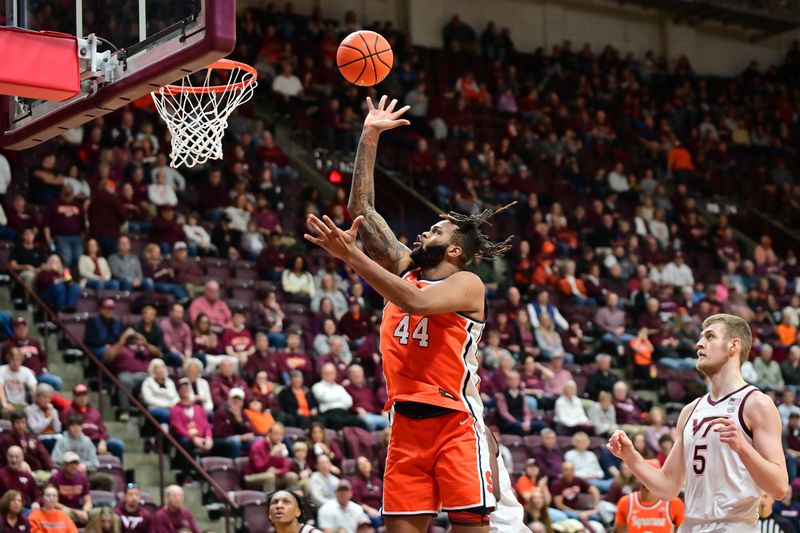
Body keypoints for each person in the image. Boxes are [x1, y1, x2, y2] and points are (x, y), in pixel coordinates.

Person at [306, 95, 513, 532]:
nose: (424, 231)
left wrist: (351, 258)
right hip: (404, 427)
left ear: (454, 250)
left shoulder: (466, 285)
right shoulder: (405, 268)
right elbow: (362, 211)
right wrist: (369, 135)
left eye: (436, 231)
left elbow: (414, 302)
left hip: (456, 423)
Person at [607, 313, 788, 532]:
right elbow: (668, 487)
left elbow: (778, 487)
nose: (699, 344)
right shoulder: (690, 410)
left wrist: (742, 448)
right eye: (701, 337)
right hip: (691, 526)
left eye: (710, 337)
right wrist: (631, 458)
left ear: (733, 345)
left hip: (733, 526)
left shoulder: (756, 403)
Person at [614, 459, 684, 533]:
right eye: (644, 474)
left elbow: (685, 530)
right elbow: (618, 531)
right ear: (638, 476)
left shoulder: (673, 502)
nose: (648, 478)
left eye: (652, 475)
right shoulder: (626, 502)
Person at [2, 315, 62, 391]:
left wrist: (44, 368)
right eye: (19, 328)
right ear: (14, 329)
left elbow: (43, 357)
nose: (22, 330)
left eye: (23, 328)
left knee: (57, 381)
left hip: (40, 374)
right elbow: (5, 364)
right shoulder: (8, 346)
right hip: (21, 376)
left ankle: (52, 401)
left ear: (27, 329)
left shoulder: (35, 342)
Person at [48, 451, 92, 526]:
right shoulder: (55, 479)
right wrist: (75, 512)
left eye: (76, 463)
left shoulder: (82, 479)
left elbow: (88, 501)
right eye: (70, 463)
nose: (74, 466)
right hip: (61, 510)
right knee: (65, 513)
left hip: (79, 510)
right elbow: (52, 502)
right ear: (64, 465)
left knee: (99, 513)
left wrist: (84, 511)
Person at [140, 359, 178, 424]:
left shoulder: (169, 382)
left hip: (171, 406)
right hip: (155, 407)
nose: (160, 370)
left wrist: (173, 404)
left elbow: (176, 397)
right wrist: (166, 405)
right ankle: (164, 430)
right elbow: (148, 399)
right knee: (167, 414)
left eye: (162, 367)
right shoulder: (148, 382)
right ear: (153, 369)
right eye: (157, 368)